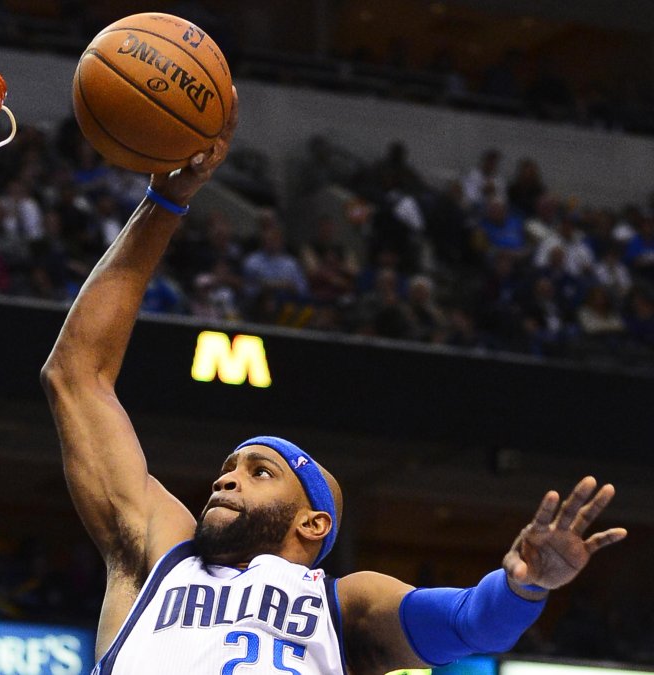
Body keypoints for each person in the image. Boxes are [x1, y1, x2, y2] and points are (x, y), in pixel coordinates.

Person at [40, 87, 628, 674]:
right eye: (228, 469)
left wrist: (522, 588)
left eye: (258, 472)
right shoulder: (159, 552)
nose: (225, 482)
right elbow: (76, 377)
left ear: (313, 523)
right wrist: (166, 201)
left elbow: (469, 623)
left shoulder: (348, 605)